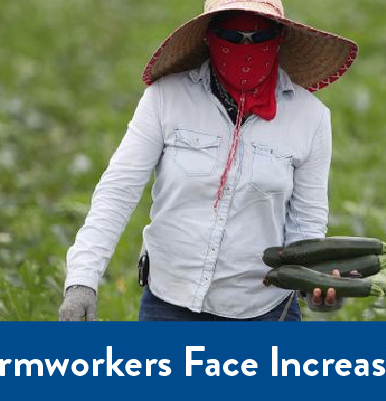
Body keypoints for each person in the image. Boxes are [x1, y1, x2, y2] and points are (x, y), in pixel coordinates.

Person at [58, 0, 358, 321]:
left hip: (264, 311)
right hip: (169, 305)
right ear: (209, 37)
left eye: (259, 37)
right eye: (232, 35)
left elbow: (306, 224)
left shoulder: (309, 117)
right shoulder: (167, 98)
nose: (246, 47)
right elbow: (118, 190)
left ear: (279, 38)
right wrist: (82, 281)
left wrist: (316, 285)